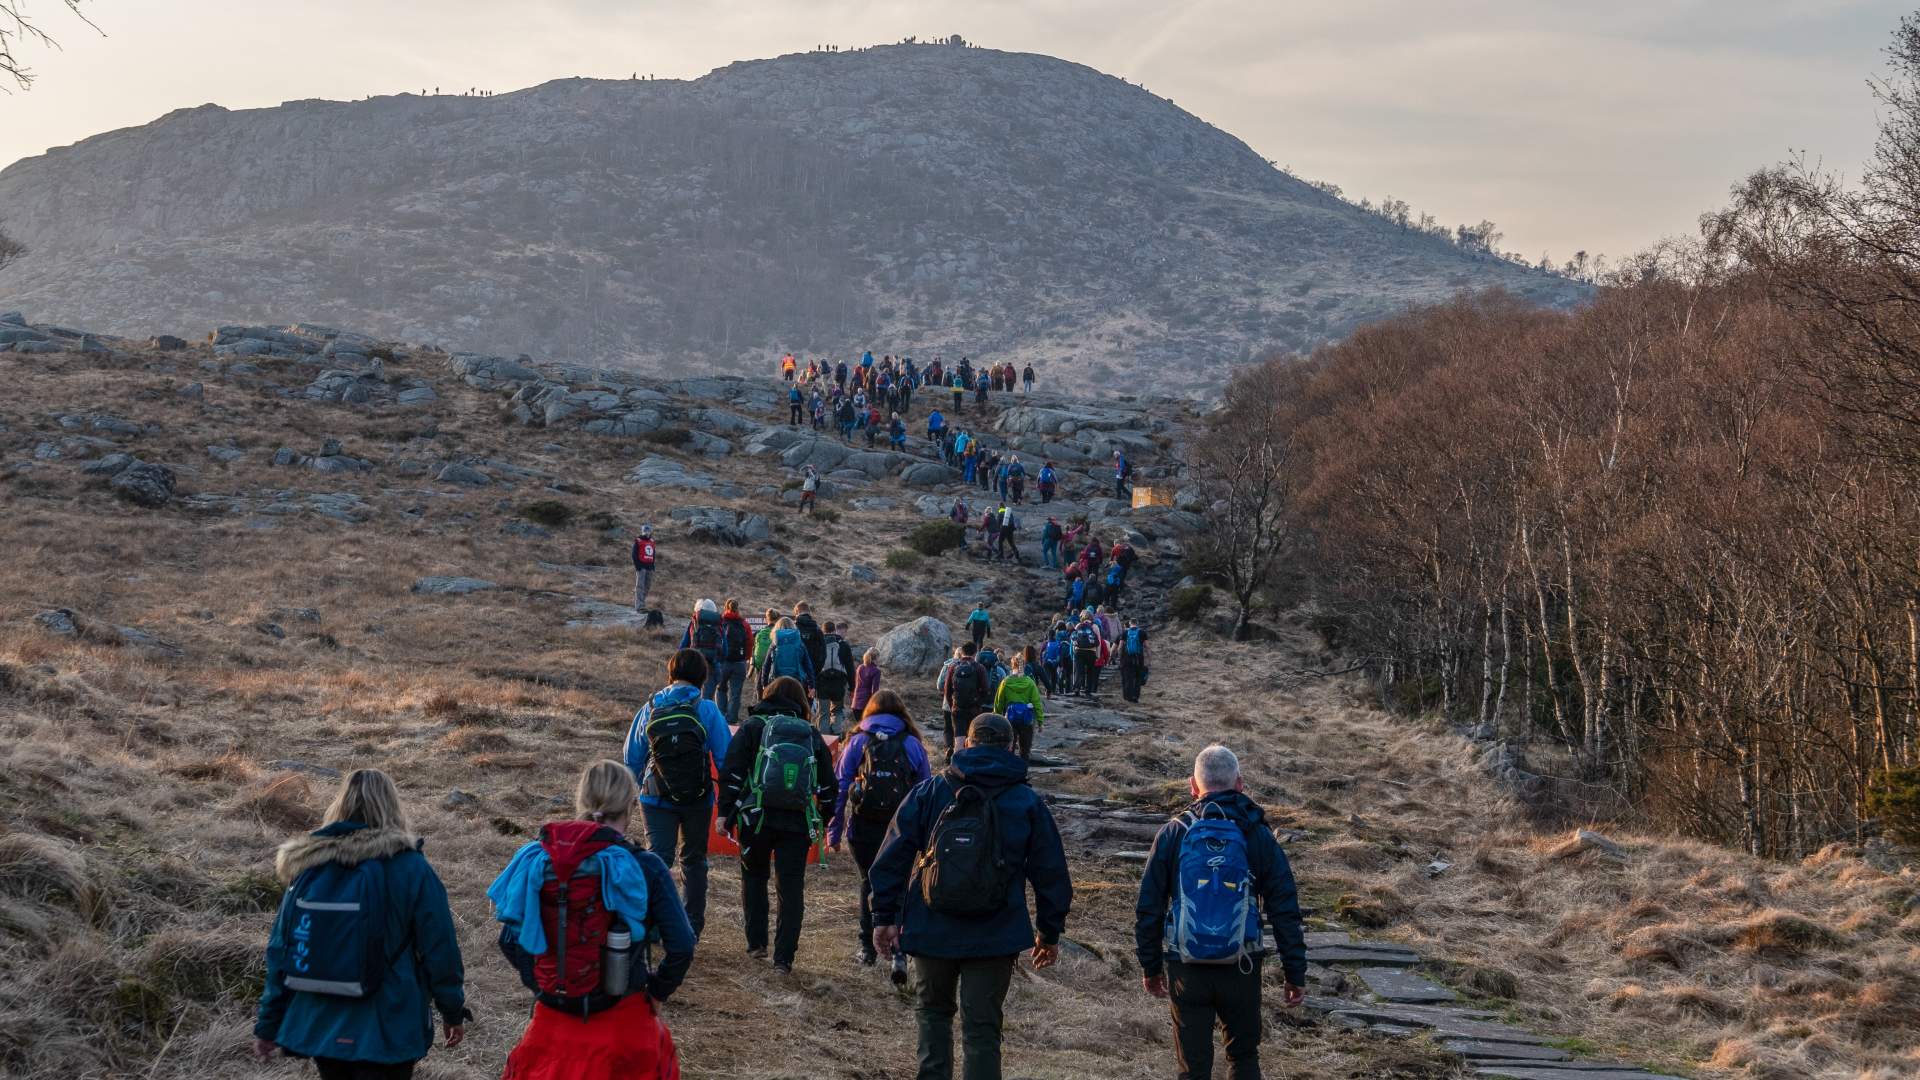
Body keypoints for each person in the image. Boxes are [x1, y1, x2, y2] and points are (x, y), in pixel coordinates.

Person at [870, 713, 1073, 1080]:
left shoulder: (931, 791)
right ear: (1011, 747)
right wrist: (1049, 933)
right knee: (982, 1031)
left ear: (967, 743)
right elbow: (1052, 873)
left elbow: (891, 858)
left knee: (933, 1015)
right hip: (996, 934)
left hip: (932, 928)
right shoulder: (1026, 801)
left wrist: (884, 917)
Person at [253, 769, 468, 1079]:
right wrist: (452, 1011)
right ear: (393, 806)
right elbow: (440, 948)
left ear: (339, 806)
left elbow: (281, 949)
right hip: (388, 1024)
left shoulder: (309, 867)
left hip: (322, 1023)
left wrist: (268, 1023)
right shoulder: (411, 868)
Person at [491, 761, 693, 1080]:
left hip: (552, 1024)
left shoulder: (540, 860)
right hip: (626, 1023)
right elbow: (682, 945)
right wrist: (656, 992)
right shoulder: (647, 866)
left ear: (582, 802)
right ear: (629, 806)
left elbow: (509, 940)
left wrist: (546, 983)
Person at [1135, 746, 1308, 1080]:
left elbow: (1149, 906)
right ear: (1239, 784)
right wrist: (1294, 972)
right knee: (1243, 1057)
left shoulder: (1174, 832)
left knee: (1193, 1066)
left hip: (1186, 964)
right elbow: (1285, 908)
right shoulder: (1256, 834)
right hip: (1242, 961)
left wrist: (1150, 965)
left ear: (1193, 786)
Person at [717, 677, 837, 974]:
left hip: (755, 817)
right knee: (791, 888)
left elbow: (731, 772)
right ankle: (784, 959)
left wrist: (725, 814)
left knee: (754, 877)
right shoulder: (809, 732)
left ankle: (757, 945)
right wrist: (822, 819)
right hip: (796, 821)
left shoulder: (753, 726)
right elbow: (828, 785)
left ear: (767, 695)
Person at [624, 648, 733, 938]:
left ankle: (651, 924)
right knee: (694, 860)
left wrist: (641, 783)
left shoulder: (651, 705)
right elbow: (725, 758)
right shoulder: (707, 708)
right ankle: (690, 926)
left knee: (657, 857)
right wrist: (727, 799)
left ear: (671, 672)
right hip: (697, 797)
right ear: (701, 676)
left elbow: (631, 755)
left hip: (655, 795)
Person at [827, 690, 934, 965]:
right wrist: (927, 836)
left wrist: (834, 831)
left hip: (863, 827)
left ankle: (868, 948)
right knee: (900, 885)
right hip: (902, 828)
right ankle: (900, 947)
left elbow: (840, 788)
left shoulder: (858, 741)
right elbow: (926, 789)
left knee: (869, 883)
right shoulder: (912, 744)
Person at [992, 648, 1046, 760]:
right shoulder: (1030, 682)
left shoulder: (1006, 682)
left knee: (1009, 748)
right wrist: (1040, 722)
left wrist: (996, 717)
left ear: (1013, 665)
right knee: (1025, 750)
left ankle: (1009, 772)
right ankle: (1023, 771)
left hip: (1009, 719)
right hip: (1027, 720)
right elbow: (1037, 703)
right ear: (1024, 665)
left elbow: (999, 701)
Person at [941, 642, 991, 756]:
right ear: (975, 653)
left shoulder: (953, 667)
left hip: (957, 708)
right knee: (973, 738)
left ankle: (956, 766)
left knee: (958, 739)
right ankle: (971, 766)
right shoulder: (979, 668)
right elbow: (986, 689)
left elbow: (947, 689)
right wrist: (978, 704)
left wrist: (953, 704)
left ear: (962, 652)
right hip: (974, 710)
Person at [715, 598, 754, 725]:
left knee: (721, 689)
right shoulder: (744, 624)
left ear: (726, 607)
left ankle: (721, 717)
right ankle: (732, 720)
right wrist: (746, 658)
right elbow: (750, 643)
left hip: (723, 662)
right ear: (738, 608)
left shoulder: (720, 622)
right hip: (739, 663)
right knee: (735, 693)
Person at [815, 620, 857, 735]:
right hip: (839, 683)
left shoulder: (819, 644)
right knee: (838, 711)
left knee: (823, 713)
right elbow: (850, 668)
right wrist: (852, 687)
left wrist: (812, 683)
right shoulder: (843, 645)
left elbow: (814, 665)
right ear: (834, 630)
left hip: (822, 683)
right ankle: (837, 735)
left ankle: (824, 739)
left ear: (823, 631)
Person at [678, 598, 724, 698]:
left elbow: (683, 645)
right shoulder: (718, 624)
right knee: (707, 700)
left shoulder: (694, 623)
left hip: (694, 664)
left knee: (692, 697)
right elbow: (725, 650)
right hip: (712, 666)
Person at [759, 615, 816, 695]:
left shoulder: (774, 643)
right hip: (797, 681)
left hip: (777, 681)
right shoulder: (799, 643)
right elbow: (808, 665)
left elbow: (766, 665)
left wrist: (764, 684)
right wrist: (812, 685)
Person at [1119, 619, 1149, 703]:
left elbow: (1120, 647)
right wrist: (1149, 658)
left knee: (1129, 677)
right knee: (1138, 678)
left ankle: (1128, 696)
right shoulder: (1142, 633)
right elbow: (1147, 646)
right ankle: (1135, 696)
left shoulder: (1125, 633)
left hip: (1127, 658)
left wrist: (1120, 657)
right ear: (1137, 623)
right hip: (1139, 658)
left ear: (1130, 623)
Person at [1070, 617, 1101, 698]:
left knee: (1079, 671)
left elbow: (1073, 639)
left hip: (1079, 652)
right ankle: (1088, 691)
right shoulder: (1094, 627)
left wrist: (1073, 651)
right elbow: (1098, 643)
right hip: (1091, 652)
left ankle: (1077, 688)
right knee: (1090, 672)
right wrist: (1098, 654)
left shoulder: (1078, 626)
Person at [751, 607, 779, 696]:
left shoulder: (759, 632)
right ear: (777, 619)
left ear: (766, 619)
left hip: (760, 664)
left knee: (760, 687)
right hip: (773, 667)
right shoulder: (779, 633)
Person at [631, 525, 657, 612]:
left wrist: (653, 566)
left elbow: (653, 554)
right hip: (641, 567)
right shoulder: (638, 540)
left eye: (648, 531)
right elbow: (634, 554)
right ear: (642, 531)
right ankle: (639, 606)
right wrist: (638, 566)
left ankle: (642, 603)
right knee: (640, 586)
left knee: (647, 586)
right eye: (645, 531)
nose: (647, 532)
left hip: (649, 567)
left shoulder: (652, 541)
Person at [850, 647, 882, 715]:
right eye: (879, 657)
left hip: (855, 704)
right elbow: (875, 691)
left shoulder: (860, 667)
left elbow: (856, 685)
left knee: (860, 725)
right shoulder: (876, 671)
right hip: (866, 706)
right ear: (876, 658)